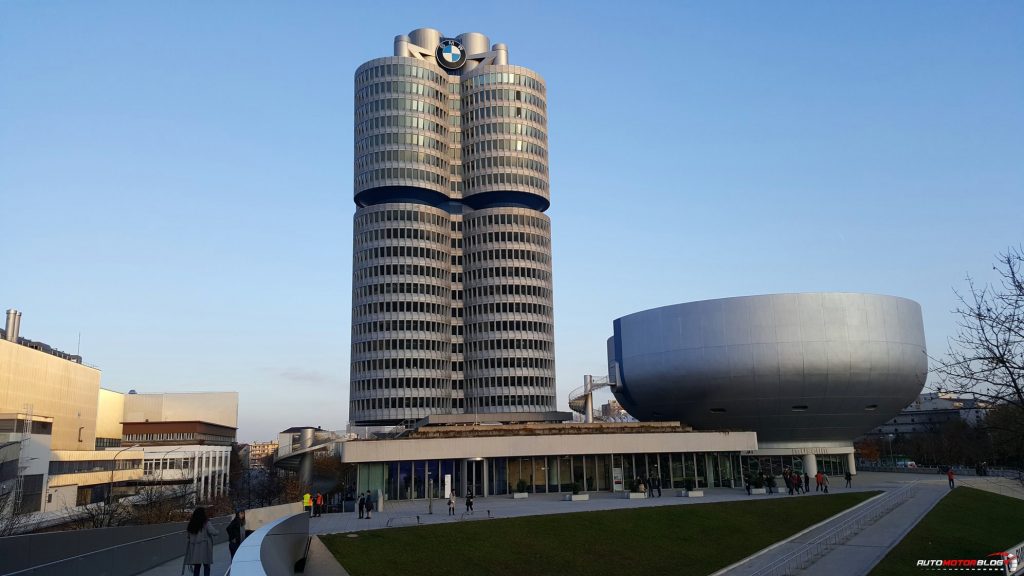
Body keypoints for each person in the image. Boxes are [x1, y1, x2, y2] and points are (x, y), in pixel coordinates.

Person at [184, 507, 218, 576]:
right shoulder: (206, 522)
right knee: (207, 567)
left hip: (195, 550)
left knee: (197, 567)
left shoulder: (191, 524)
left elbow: (188, 536)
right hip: (205, 548)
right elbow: (213, 532)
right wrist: (218, 532)